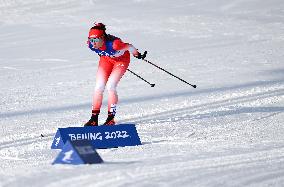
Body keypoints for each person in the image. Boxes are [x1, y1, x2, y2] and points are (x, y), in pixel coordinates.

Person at [84, 23, 146, 126]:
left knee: (110, 86)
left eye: (96, 40)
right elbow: (100, 51)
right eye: (91, 40)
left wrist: (137, 54)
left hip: (121, 61)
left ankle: (110, 118)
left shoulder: (115, 44)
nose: (93, 44)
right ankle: (94, 119)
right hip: (107, 59)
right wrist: (105, 54)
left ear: (102, 38)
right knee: (98, 87)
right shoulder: (90, 45)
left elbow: (129, 46)